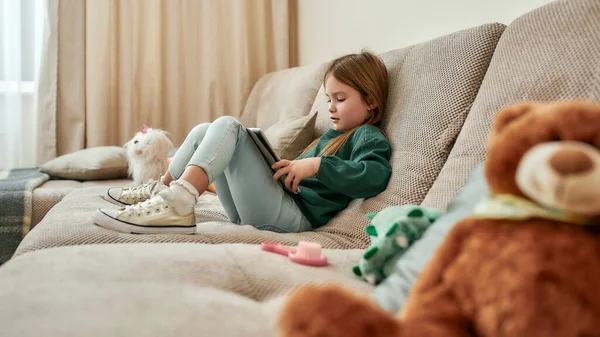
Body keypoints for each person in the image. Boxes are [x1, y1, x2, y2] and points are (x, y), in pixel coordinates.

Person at [93, 51, 393, 235]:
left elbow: (375, 176)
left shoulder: (367, 136)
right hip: (267, 209)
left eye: (340, 99)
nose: (330, 107)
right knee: (203, 130)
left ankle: (179, 204)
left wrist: (316, 164)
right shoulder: (332, 136)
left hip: (292, 218)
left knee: (228, 126)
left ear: (370, 101)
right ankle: (163, 190)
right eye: (329, 99)